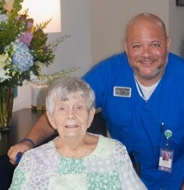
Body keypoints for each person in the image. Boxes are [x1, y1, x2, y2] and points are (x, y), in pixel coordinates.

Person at [8, 12, 184, 189]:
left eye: (155, 44)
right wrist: (29, 142)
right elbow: (65, 107)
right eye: (137, 46)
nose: (146, 54)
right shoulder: (108, 73)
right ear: (126, 47)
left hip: (178, 174)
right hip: (126, 171)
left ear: (167, 44)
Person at [9, 77, 147, 190]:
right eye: (62, 108)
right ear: (51, 118)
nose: (71, 115)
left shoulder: (115, 152)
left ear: (90, 115)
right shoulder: (32, 161)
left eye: (79, 107)